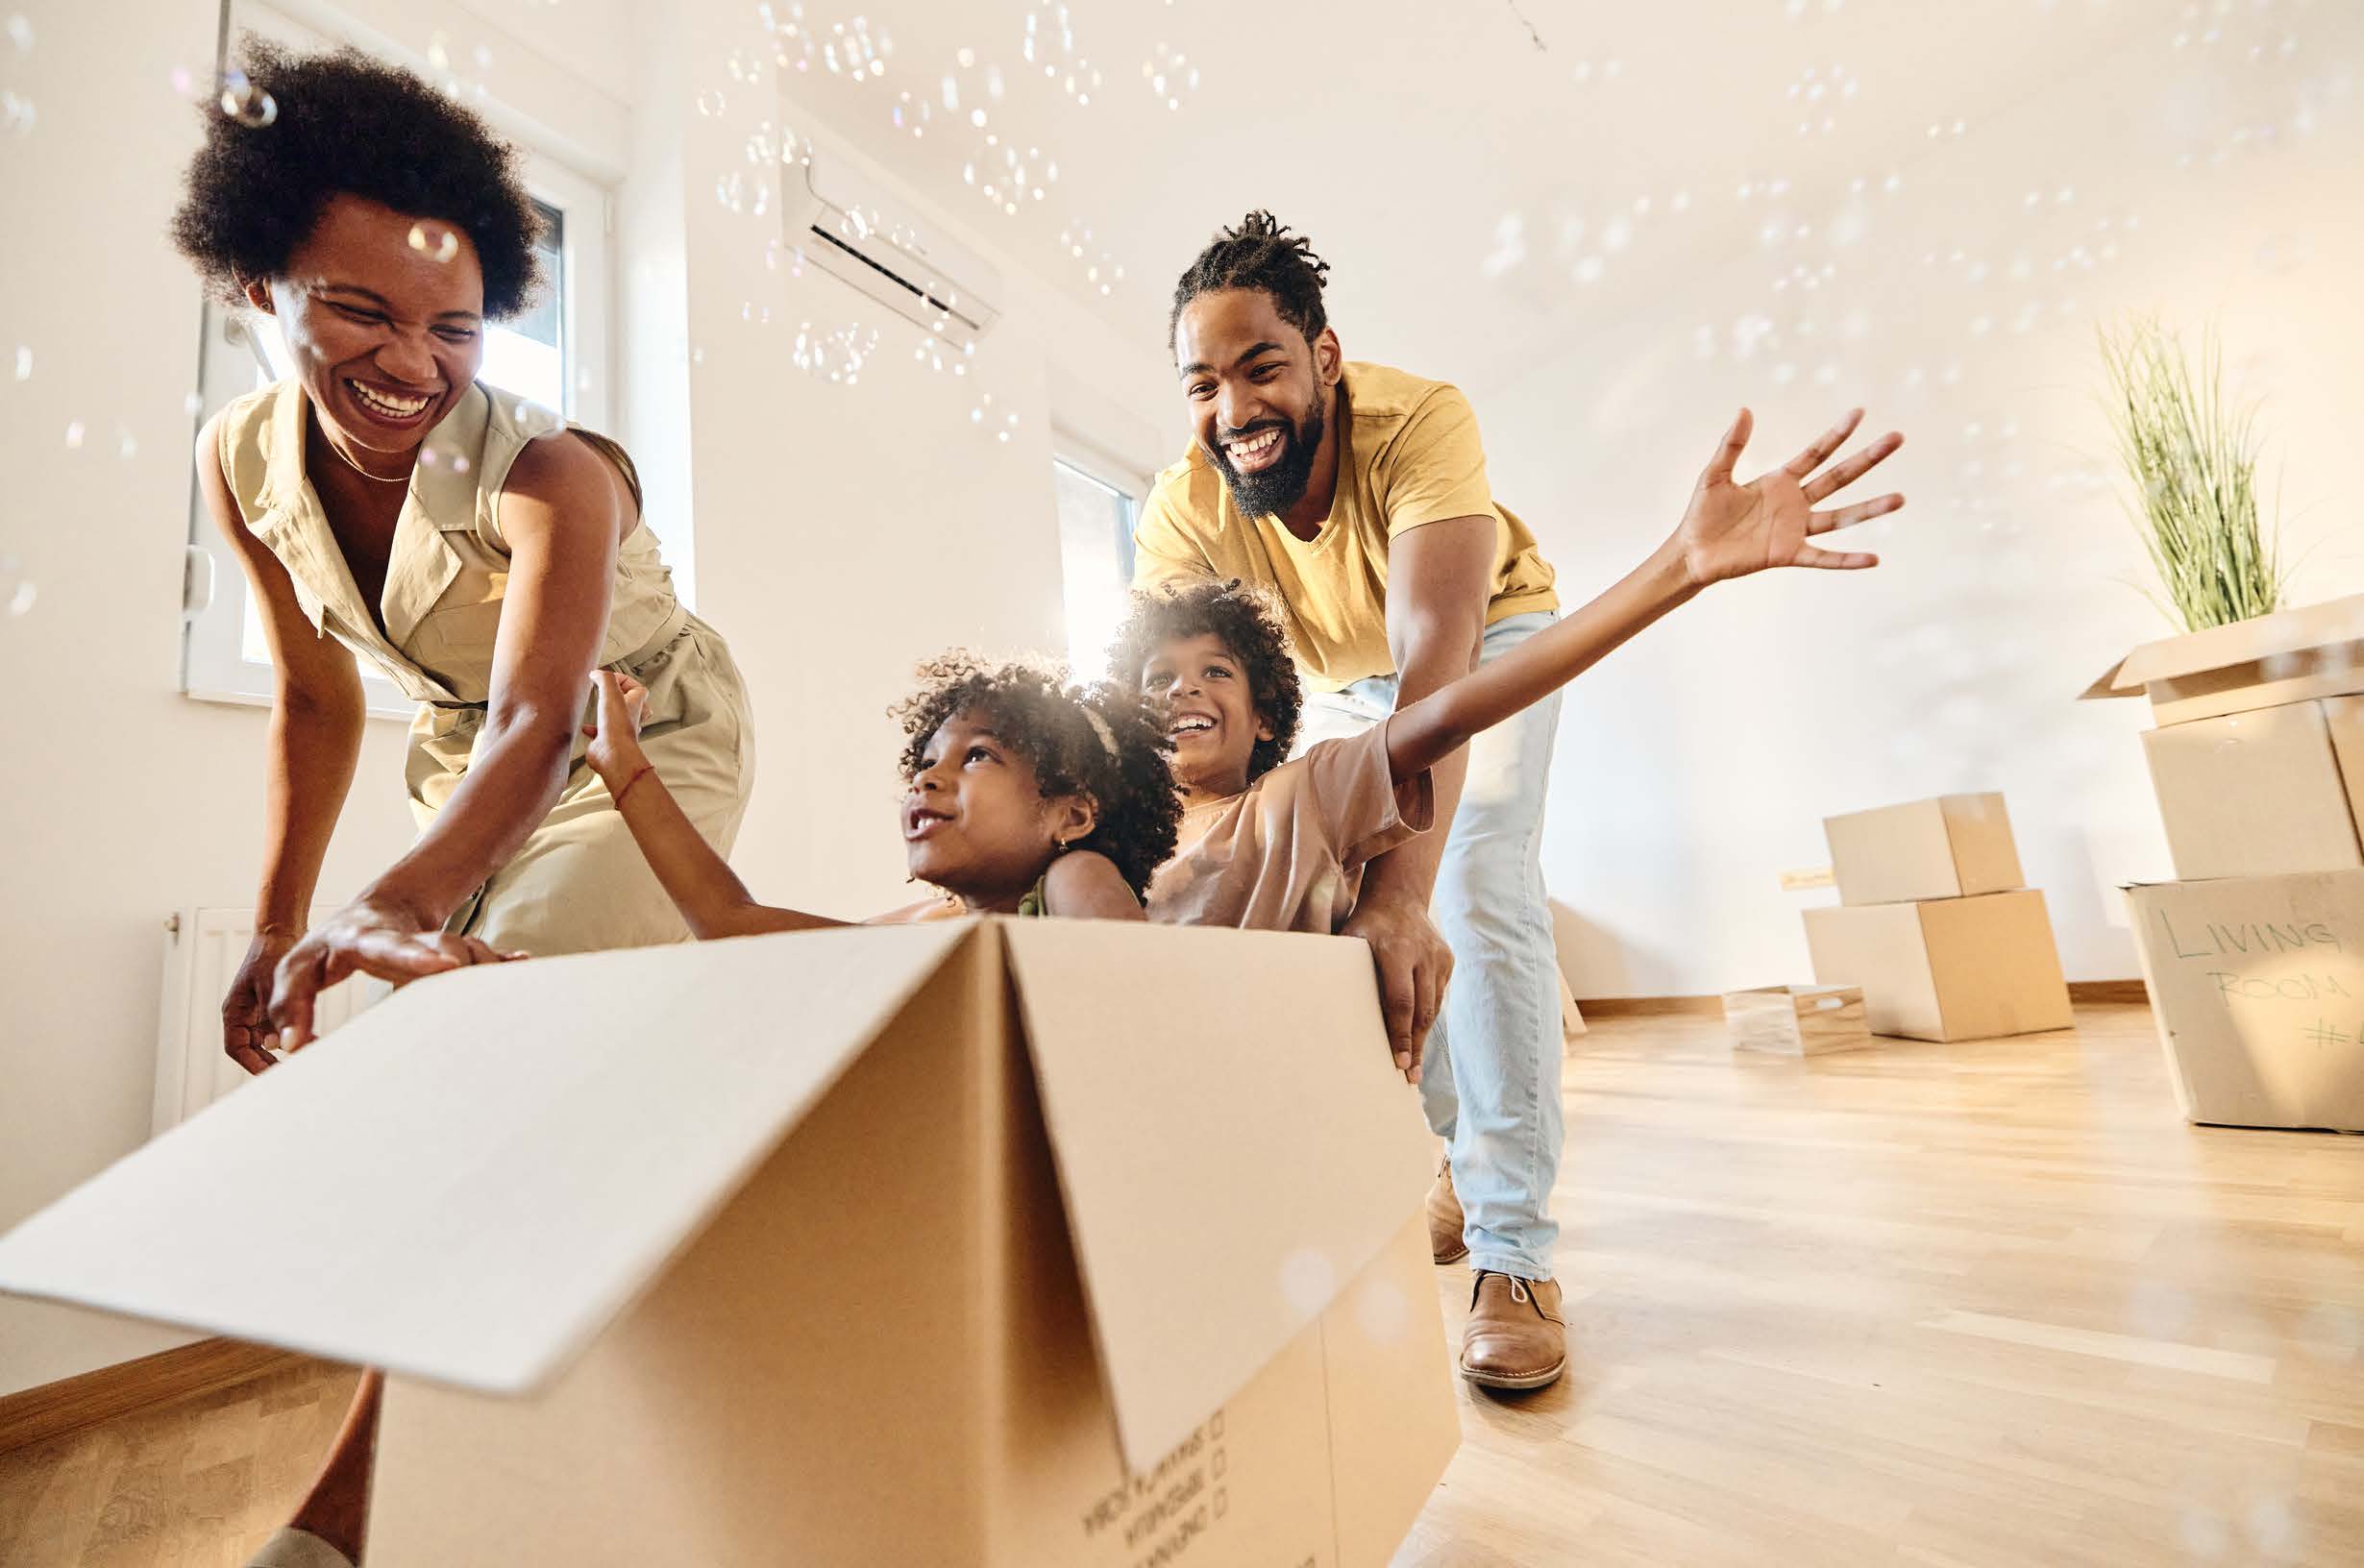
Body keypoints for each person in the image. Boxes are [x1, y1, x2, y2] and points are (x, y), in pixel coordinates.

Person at [1135, 209, 1902, 1389]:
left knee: (1472, 873)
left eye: (1262, 368)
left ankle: (1515, 1251)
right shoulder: (1184, 502)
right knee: (1340, 911)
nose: (1234, 408)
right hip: (1339, 680)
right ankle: (1453, 1158)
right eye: (1204, 383)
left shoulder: (1419, 419)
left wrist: (1404, 890)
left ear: (1324, 360)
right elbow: (1170, 705)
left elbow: (1437, 660)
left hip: (1484, 635)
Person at [170, 40, 753, 1070]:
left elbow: (539, 718)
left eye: (454, 327)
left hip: (635, 728)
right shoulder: (237, 457)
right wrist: (276, 922)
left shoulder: (550, 476)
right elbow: (314, 699)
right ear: (264, 286)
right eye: (360, 311)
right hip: (465, 754)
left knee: (513, 1022)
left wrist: (393, 898)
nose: (410, 362)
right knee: (471, 1032)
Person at [584, 653, 1178, 929]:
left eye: (978, 755)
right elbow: (728, 920)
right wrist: (621, 763)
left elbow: (1131, 991)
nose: (927, 778)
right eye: (924, 762)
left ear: (1071, 816)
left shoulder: (1074, 878)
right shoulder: (927, 928)